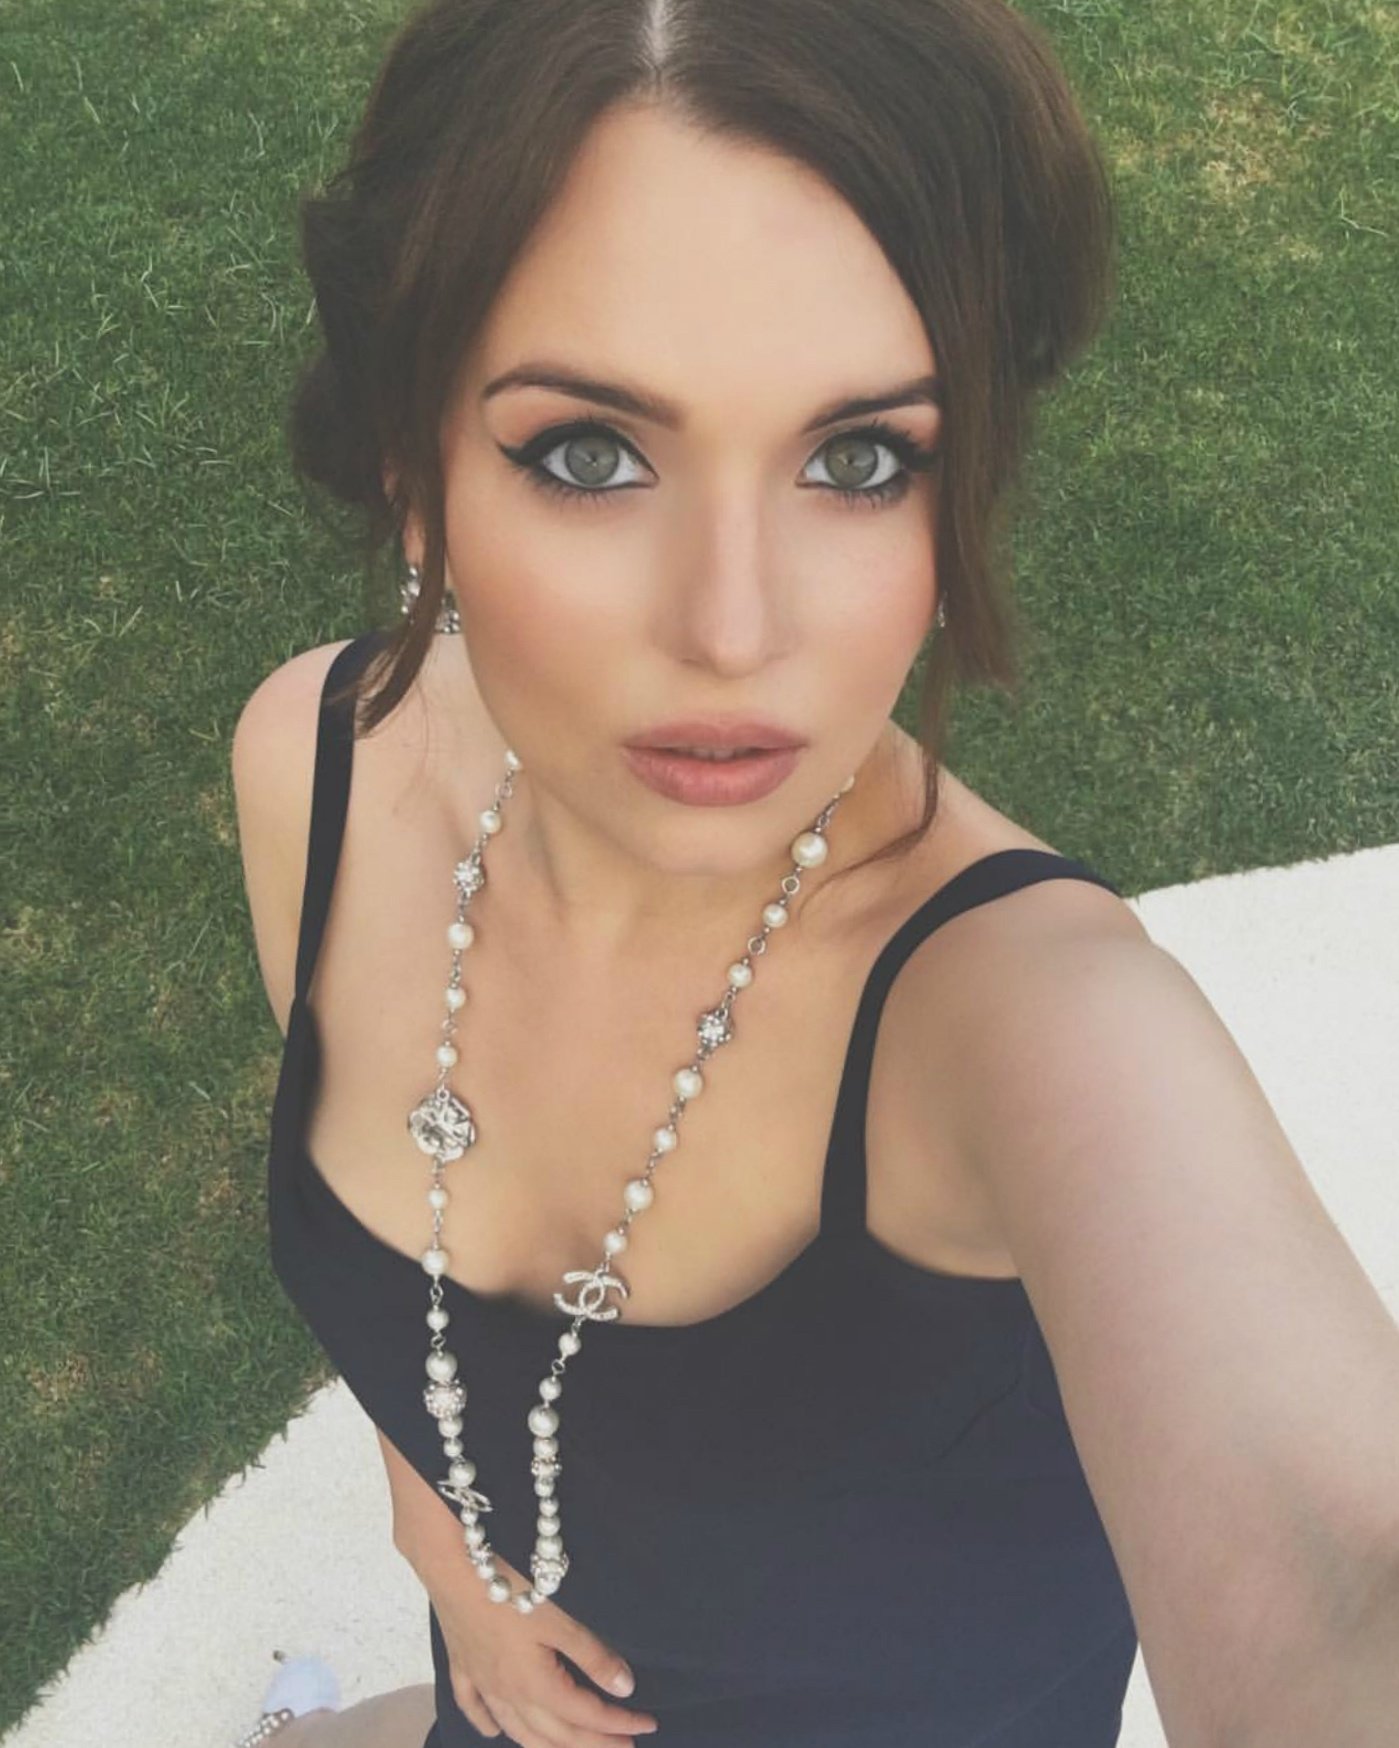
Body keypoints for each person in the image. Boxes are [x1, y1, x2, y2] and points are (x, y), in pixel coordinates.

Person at [229, 2, 1399, 1745]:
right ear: (416, 473)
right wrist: (442, 1534)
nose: (735, 628)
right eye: (590, 453)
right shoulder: (317, 770)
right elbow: (413, 1325)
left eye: (861, 461)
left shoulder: (1036, 1024)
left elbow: (1342, 1584)